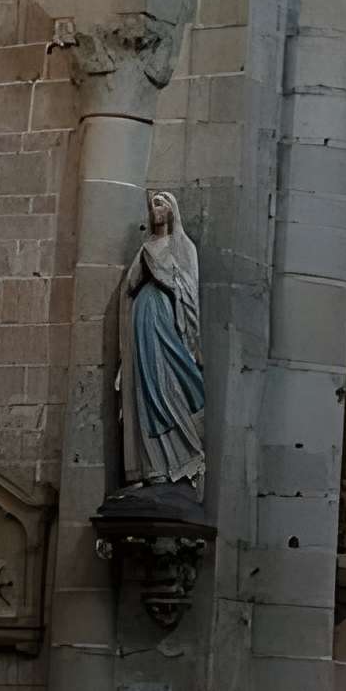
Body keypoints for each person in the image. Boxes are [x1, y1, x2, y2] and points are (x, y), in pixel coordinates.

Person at [121, 190, 213, 486]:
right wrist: (146, 263)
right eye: (153, 206)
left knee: (173, 381)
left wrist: (164, 274)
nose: (156, 211)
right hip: (144, 315)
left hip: (167, 316)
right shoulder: (146, 246)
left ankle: (185, 454)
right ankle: (154, 465)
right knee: (148, 382)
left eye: (161, 205)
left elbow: (188, 288)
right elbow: (131, 284)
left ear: (172, 210)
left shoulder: (184, 247)